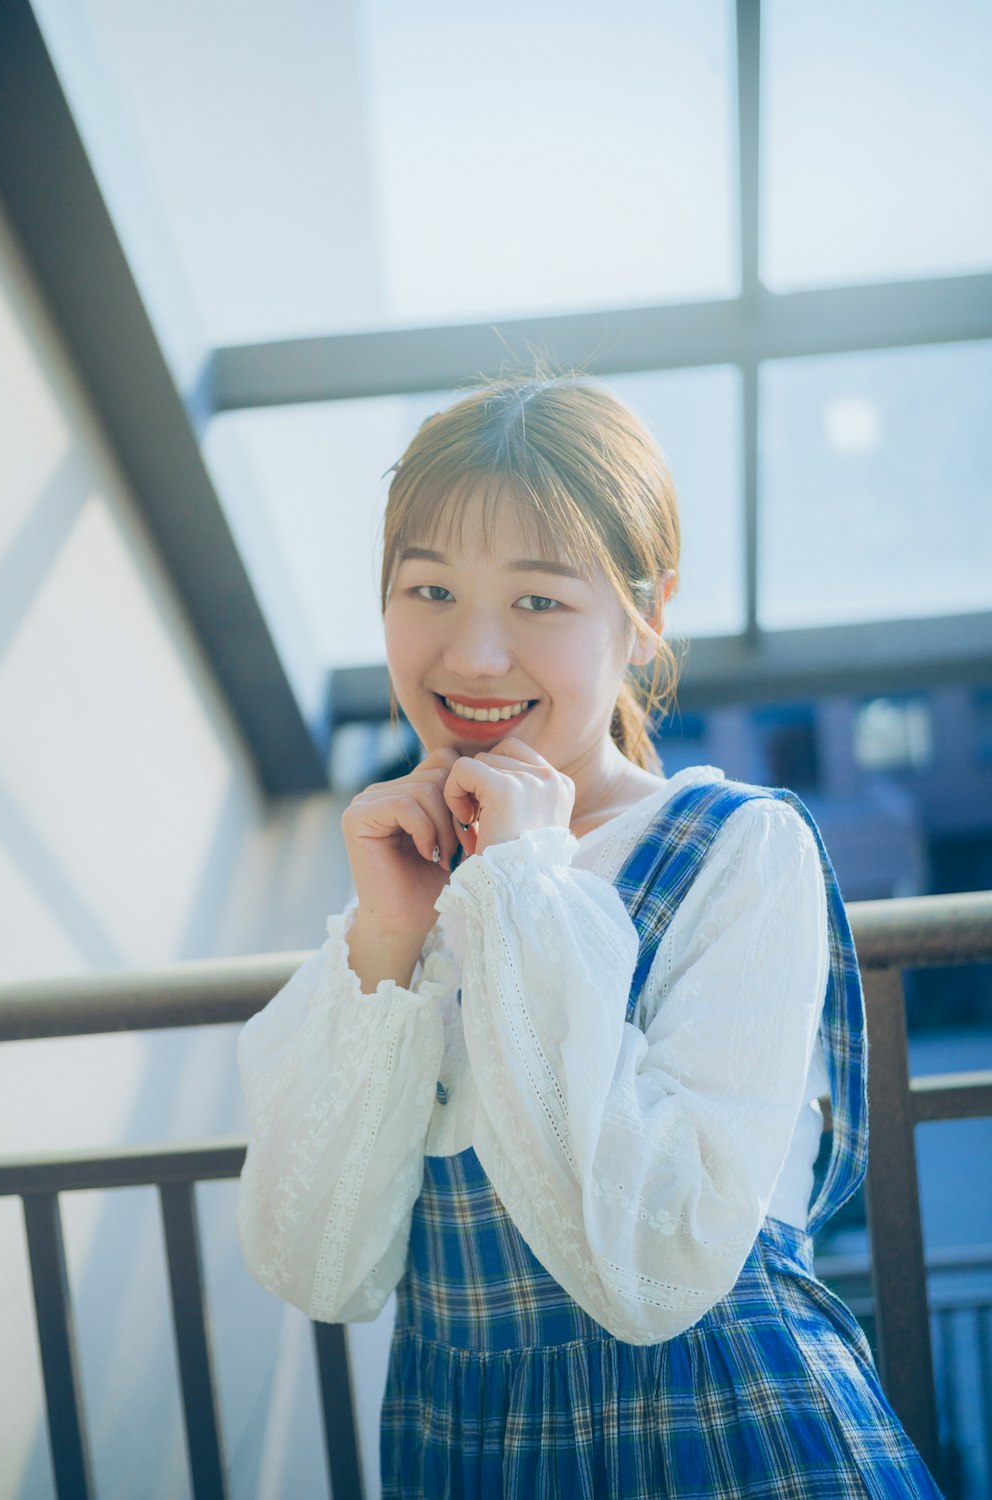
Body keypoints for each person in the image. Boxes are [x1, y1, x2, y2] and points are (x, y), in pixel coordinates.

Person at [236, 375, 942, 1497]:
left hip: (729, 1433)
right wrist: (386, 934)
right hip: (464, 1449)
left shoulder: (734, 847)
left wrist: (522, 880)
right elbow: (313, 1263)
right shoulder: (412, 874)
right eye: (427, 588)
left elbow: (654, 1271)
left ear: (645, 610)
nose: (470, 656)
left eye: (538, 603)